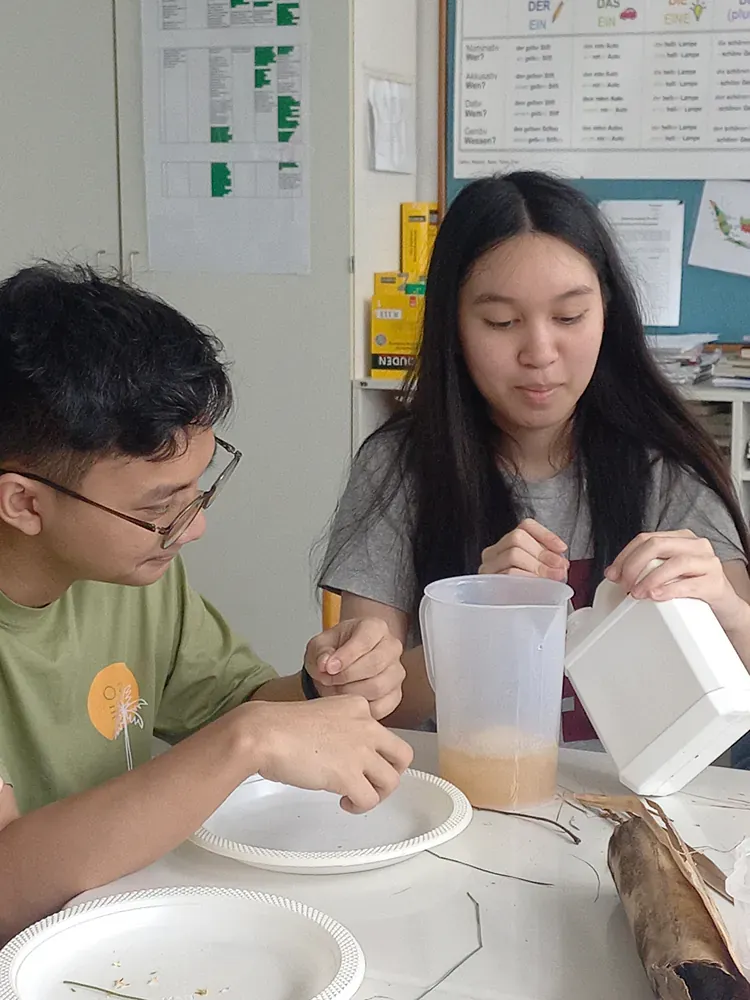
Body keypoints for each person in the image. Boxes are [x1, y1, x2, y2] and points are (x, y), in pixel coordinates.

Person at [0, 263, 411, 944]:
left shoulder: (134, 573)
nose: (193, 528)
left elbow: (237, 715)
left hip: (125, 929)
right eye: (162, 508)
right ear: (23, 502)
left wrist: (319, 687)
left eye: (199, 489)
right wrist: (249, 738)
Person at [320, 171, 750, 750]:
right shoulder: (400, 467)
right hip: (468, 804)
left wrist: (728, 612)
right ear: (453, 325)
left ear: (608, 314)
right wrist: (476, 621)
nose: (540, 354)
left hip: (648, 807)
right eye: (501, 322)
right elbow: (368, 708)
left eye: (570, 317)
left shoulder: (667, 466)